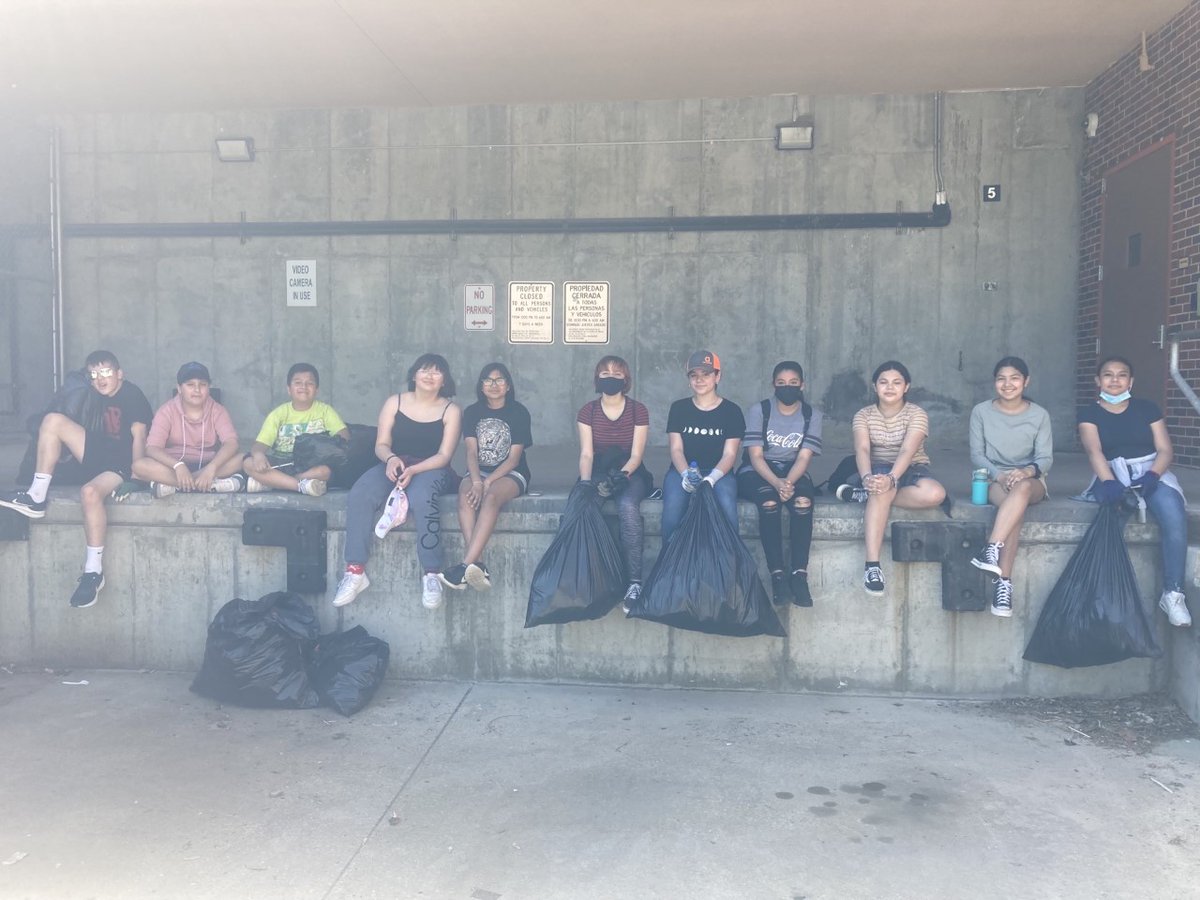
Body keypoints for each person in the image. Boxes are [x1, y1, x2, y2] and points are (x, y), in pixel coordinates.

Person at [0, 350, 152, 608]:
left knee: (89, 493)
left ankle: (93, 573)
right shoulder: (93, 393)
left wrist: (138, 474)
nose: (100, 378)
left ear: (119, 374)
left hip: (121, 465)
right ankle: (36, 496)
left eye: (105, 372)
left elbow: (140, 436)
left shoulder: (131, 394)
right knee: (52, 421)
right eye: (94, 374)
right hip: (98, 452)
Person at [333, 353, 462, 611]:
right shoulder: (395, 402)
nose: (428, 375)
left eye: (436, 372)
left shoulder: (451, 410)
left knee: (422, 497)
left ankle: (432, 573)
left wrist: (415, 470)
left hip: (431, 467)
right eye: (424, 370)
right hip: (394, 462)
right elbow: (381, 444)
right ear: (413, 374)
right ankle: (355, 571)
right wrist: (391, 459)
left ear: (444, 380)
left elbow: (444, 455)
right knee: (360, 493)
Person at [1078, 355, 1191, 628]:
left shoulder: (1147, 408)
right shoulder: (1089, 414)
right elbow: (1094, 451)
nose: (1115, 380)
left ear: (1131, 381)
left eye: (1121, 374)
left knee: (1174, 515)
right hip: (1113, 473)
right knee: (1110, 521)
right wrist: (1108, 482)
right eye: (1108, 374)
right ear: (1098, 381)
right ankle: (1103, 597)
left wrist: (1154, 474)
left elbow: (1165, 450)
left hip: (1152, 471)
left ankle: (1173, 593)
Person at [846, 360, 946, 596]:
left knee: (936, 494)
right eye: (883, 382)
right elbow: (862, 450)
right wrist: (867, 477)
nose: (889, 387)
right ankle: (872, 566)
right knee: (881, 489)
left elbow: (907, 451)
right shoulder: (863, 415)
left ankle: (868, 496)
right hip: (876, 466)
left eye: (896, 382)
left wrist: (891, 478)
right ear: (874, 386)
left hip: (911, 465)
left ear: (906, 387)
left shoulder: (917, 414)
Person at [968, 356, 1053, 617]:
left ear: (1026, 381)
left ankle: (991, 548)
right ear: (995, 382)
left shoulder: (1039, 415)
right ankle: (1004, 584)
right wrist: (1001, 476)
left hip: (1031, 480)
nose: (1007, 384)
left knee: (1023, 490)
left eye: (1014, 378)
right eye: (1001, 378)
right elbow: (977, 455)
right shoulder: (981, 411)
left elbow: (1045, 458)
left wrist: (1026, 471)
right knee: (1013, 508)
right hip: (994, 479)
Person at [439, 362, 532, 592]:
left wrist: (487, 483)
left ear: (508, 386)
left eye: (499, 380)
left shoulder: (519, 412)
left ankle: (465, 566)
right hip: (478, 471)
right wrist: (477, 480)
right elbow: (471, 451)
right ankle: (477, 566)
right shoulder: (472, 412)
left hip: (512, 472)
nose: (494, 385)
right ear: (481, 386)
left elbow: (513, 458)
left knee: (490, 498)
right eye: (488, 380)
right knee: (465, 497)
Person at [737, 361, 822, 607]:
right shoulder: (760, 410)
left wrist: (788, 482)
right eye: (782, 383)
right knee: (769, 503)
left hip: (793, 469)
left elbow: (804, 457)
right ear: (774, 384)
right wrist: (777, 483)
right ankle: (777, 575)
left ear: (802, 385)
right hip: (758, 470)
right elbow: (755, 456)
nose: (787, 388)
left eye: (793, 383)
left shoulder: (811, 415)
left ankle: (799, 574)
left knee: (803, 502)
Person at [576, 354, 652, 609]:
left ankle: (634, 582)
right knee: (584, 509)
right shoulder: (588, 410)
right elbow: (586, 453)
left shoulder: (637, 409)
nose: (611, 378)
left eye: (617, 374)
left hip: (629, 471)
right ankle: (592, 578)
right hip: (598, 470)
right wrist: (586, 483)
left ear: (626, 379)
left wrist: (622, 476)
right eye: (605, 374)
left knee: (628, 508)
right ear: (597, 378)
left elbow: (636, 455)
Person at [662, 350, 745, 544]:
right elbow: (676, 449)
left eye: (706, 374)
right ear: (689, 380)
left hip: (719, 473)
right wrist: (685, 475)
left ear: (718, 376)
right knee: (672, 513)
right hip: (682, 472)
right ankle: (668, 566)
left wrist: (711, 479)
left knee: (727, 509)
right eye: (694, 375)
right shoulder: (679, 408)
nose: (700, 380)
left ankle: (730, 565)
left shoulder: (732, 411)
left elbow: (730, 454)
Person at [132, 362, 242, 498]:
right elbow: (152, 448)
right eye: (190, 385)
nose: (197, 390)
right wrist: (178, 465)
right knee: (139, 465)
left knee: (243, 459)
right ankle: (207, 485)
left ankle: (178, 486)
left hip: (207, 465)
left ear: (209, 387)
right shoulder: (167, 411)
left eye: (202, 385)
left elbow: (231, 442)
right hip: (173, 468)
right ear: (179, 388)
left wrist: (211, 468)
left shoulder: (217, 410)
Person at [242, 362, 349, 496]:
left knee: (324, 472)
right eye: (298, 383)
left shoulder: (325, 411)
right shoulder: (279, 414)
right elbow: (260, 444)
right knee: (248, 463)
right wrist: (258, 454)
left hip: (311, 465)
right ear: (289, 389)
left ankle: (275, 483)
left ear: (317, 390)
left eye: (309, 383)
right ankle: (300, 486)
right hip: (282, 463)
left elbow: (344, 435)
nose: (303, 387)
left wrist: (323, 447)